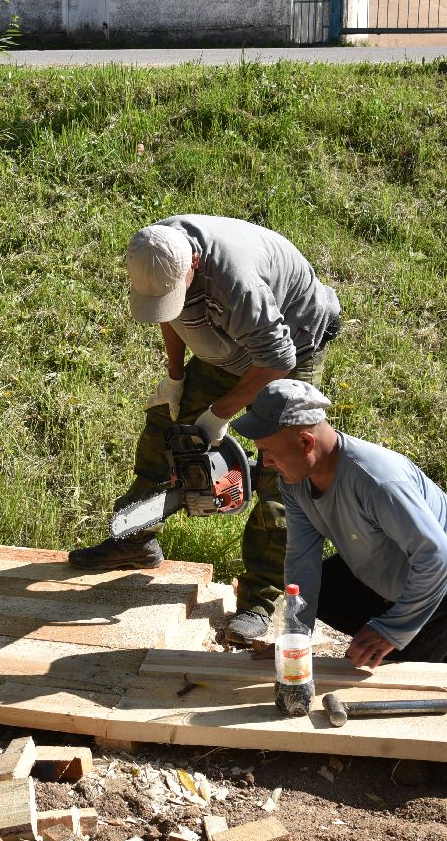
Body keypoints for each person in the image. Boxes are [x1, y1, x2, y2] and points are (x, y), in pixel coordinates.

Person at [68, 215, 342, 648]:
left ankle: (260, 600)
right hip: (226, 344)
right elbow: (170, 312)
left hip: (291, 344)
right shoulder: (155, 252)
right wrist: (176, 379)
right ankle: (136, 538)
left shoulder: (238, 281)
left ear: (194, 264)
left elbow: (277, 359)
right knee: (167, 426)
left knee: (283, 474)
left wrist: (219, 414)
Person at [229, 379, 447, 668]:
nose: (265, 462)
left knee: (401, 668)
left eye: (270, 452)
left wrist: (391, 630)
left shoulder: (377, 479)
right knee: (327, 593)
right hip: (395, 563)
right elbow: (301, 558)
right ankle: (420, 643)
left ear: (306, 442)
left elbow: (437, 559)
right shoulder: (295, 480)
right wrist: (296, 638)